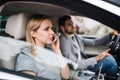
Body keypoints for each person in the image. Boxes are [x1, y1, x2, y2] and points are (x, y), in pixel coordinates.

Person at [15, 14, 70, 80]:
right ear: (33, 33)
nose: (52, 32)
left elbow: (66, 76)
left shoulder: (50, 50)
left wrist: (57, 50)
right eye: (46, 29)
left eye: (51, 28)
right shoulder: (26, 57)